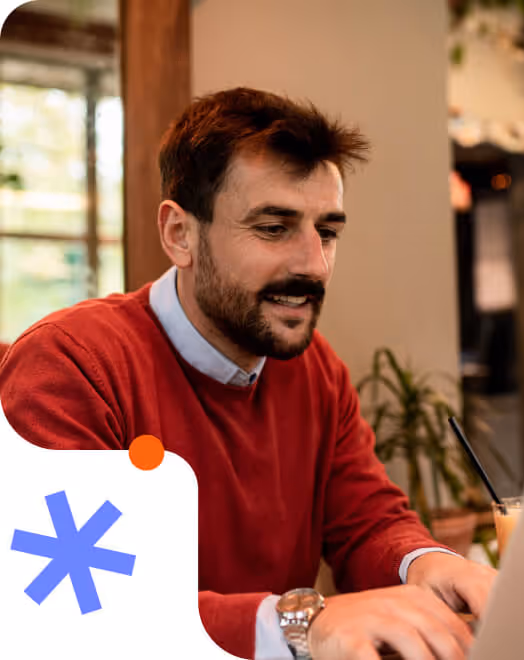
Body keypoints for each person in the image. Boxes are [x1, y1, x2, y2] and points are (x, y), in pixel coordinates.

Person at [0, 88, 496, 660]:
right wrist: (298, 624)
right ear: (179, 234)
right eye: (273, 228)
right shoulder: (71, 367)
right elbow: (71, 607)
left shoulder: (317, 370)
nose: (314, 265)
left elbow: (367, 522)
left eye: (327, 231)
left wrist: (428, 563)